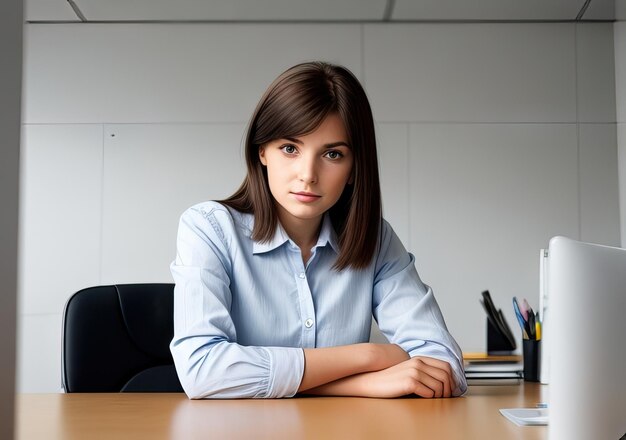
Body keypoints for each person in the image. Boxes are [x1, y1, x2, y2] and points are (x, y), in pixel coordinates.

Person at [170, 61, 467, 399]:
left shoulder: (375, 239)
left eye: (332, 154)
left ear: (355, 168)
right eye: (290, 149)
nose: (308, 174)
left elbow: (445, 369)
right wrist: (368, 358)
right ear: (262, 151)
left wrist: (316, 382)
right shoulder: (209, 228)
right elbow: (202, 372)